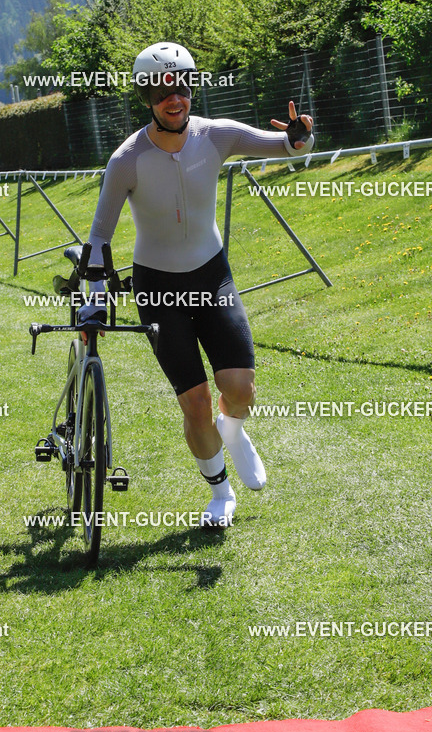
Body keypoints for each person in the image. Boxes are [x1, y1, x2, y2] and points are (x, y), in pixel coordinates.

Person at [82, 42, 314, 528]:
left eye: (183, 87)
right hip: (157, 289)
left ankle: (234, 430)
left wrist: (299, 137)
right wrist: (95, 303)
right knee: (195, 402)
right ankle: (220, 493)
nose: (175, 98)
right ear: (147, 97)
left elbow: (285, 149)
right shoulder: (128, 159)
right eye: (163, 90)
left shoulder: (218, 135)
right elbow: (101, 235)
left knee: (240, 389)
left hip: (211, 277)